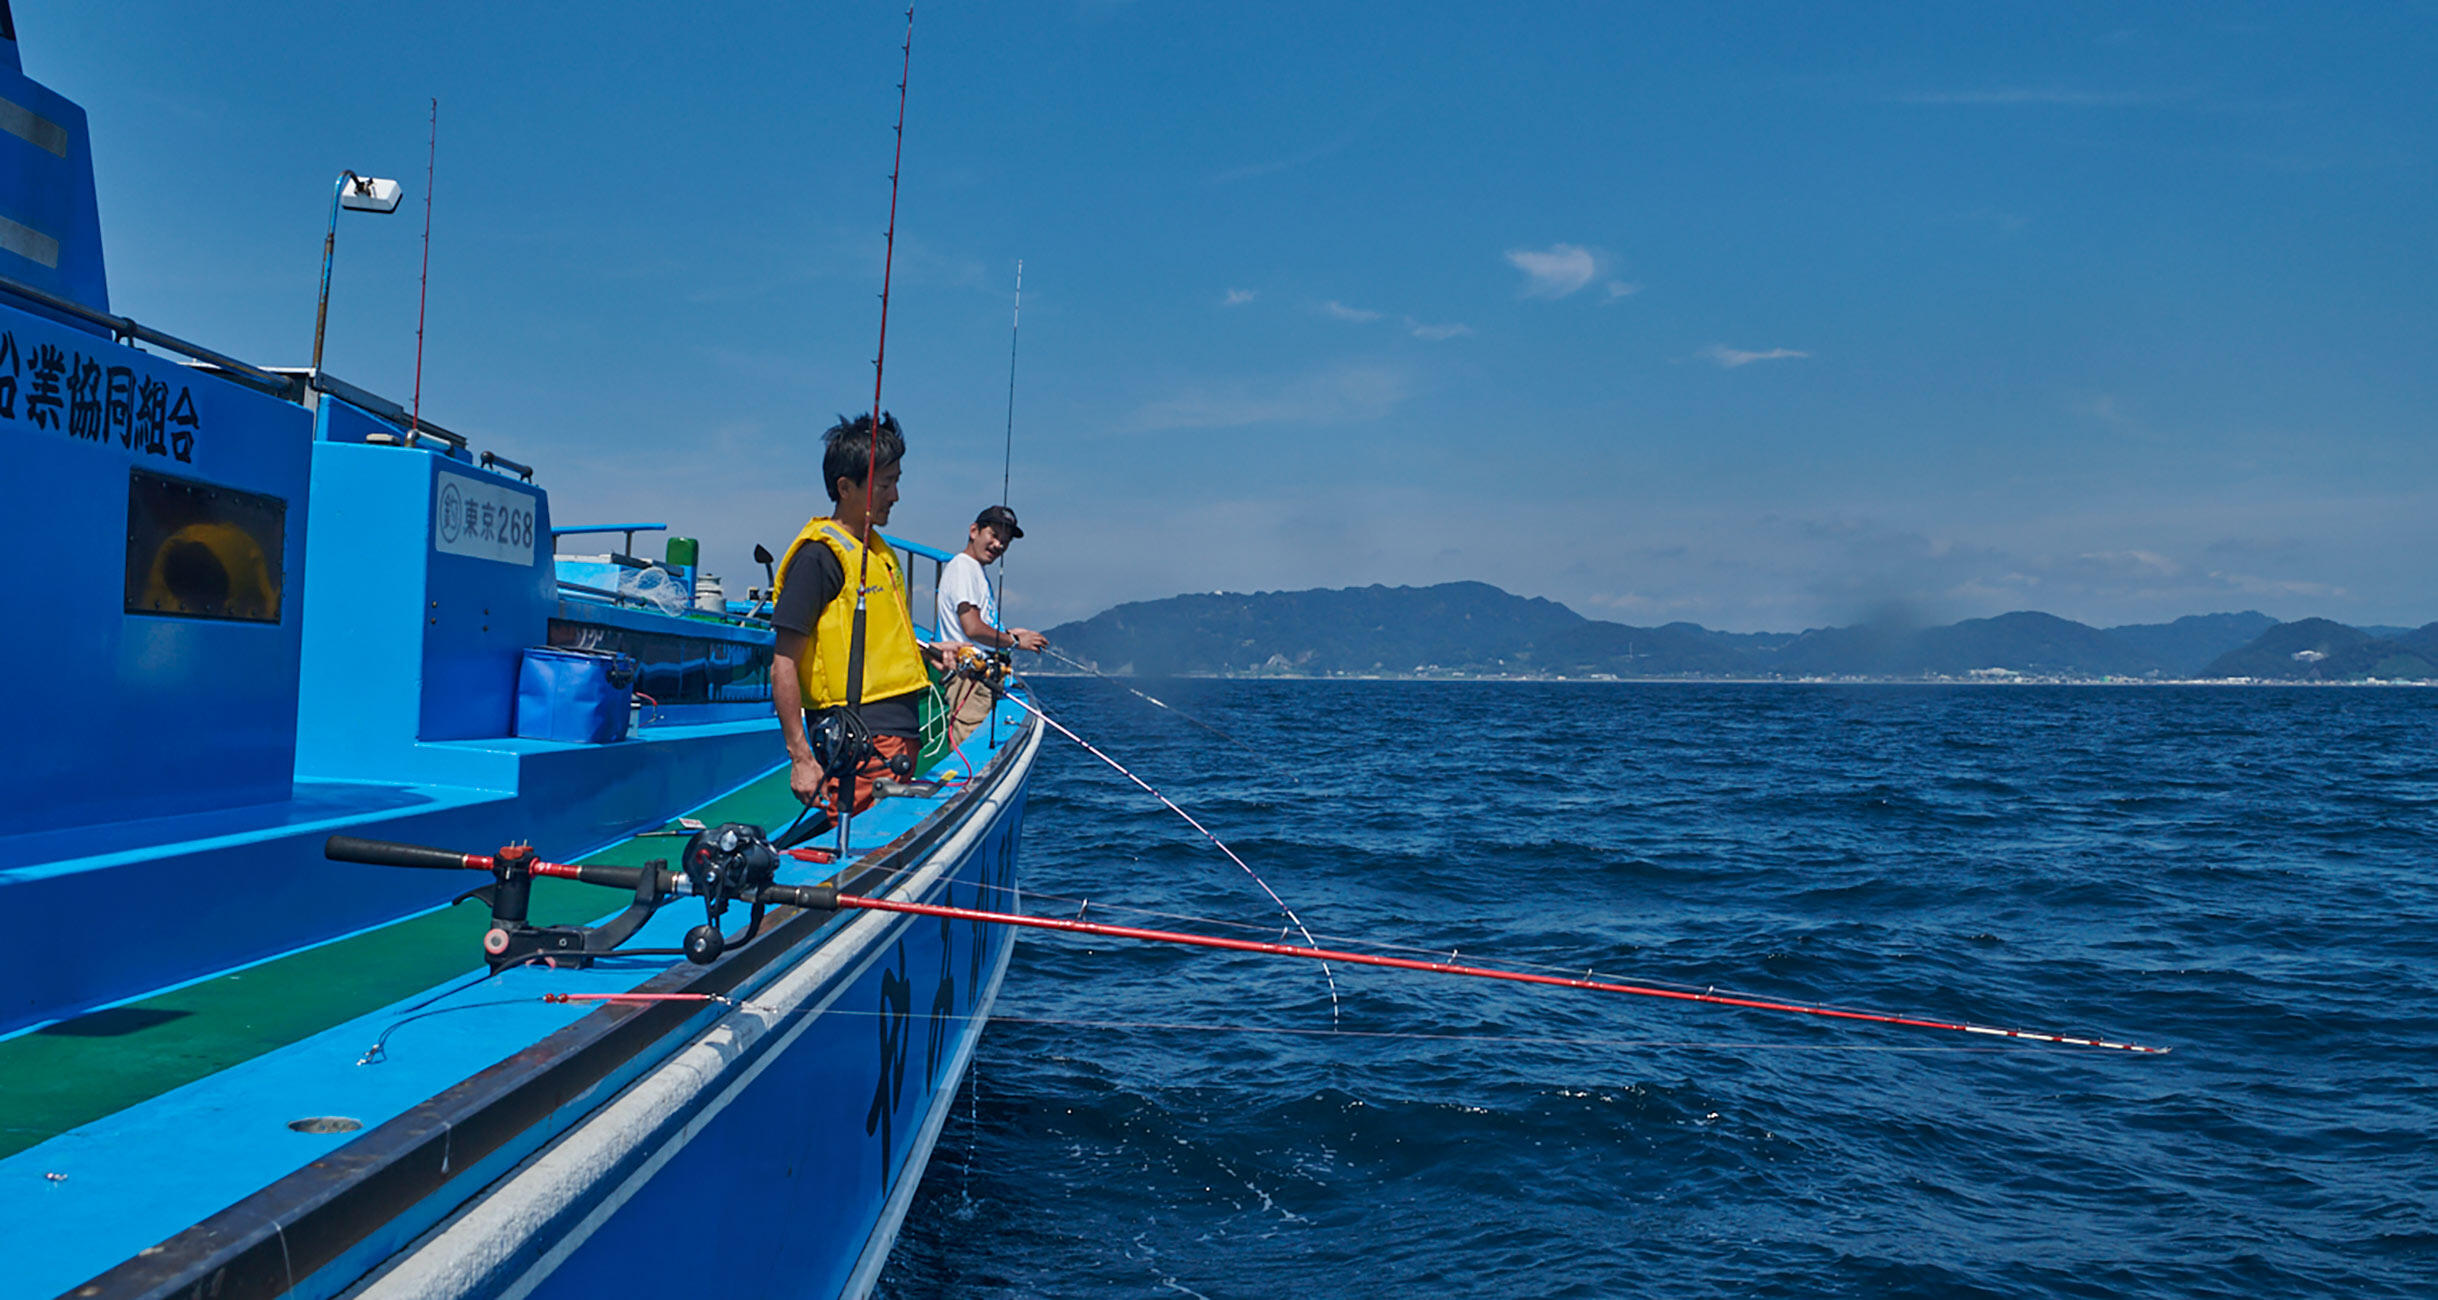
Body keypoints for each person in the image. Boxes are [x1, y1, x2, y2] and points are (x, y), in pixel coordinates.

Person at [770, 413, 953, 814]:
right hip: (857, 743)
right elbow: (783, 663)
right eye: (886, 484)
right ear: (845, 487)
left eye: (897, 482)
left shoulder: (877, 553)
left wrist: (928, 652)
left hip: (898, 741)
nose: (896, 495)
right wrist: (801, 757)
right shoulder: (818, 558)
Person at [934, 505, 1046, 748]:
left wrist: (1007, 634)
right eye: (994, 536)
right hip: (969, 681)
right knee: (970, 750)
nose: (999, 545)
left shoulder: (975, 570)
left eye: (1005, 542)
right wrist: (1016, 642)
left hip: (978, 678)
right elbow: (972, 628)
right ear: (974, 531)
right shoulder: (963, 567)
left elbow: (977, 625)